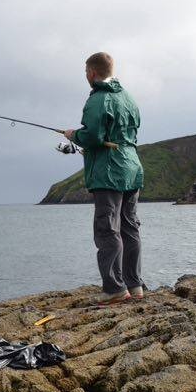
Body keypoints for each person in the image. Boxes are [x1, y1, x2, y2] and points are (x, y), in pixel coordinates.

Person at [63, 52, 144, 306]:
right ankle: (135, 285)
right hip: (132, 168)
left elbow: (94, 135)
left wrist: (74, 135)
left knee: (107, 228)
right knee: (129, 227)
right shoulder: (129, 98)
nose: (86, 76)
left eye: (86, 72)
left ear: (93, 73)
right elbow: (131, 129)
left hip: (109, 172)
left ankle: (115, 289)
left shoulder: (98, 99)